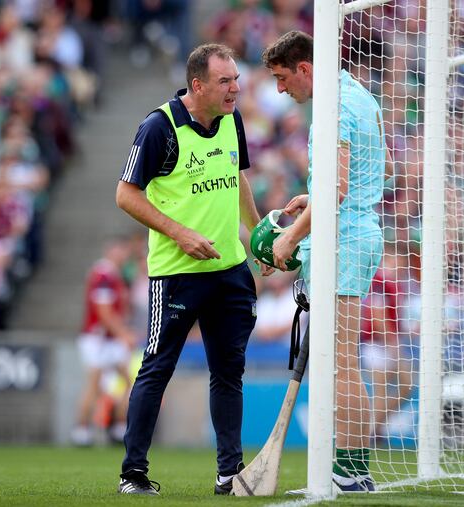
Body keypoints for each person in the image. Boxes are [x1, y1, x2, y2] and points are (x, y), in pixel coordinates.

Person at [115, 43, 274, 496]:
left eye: (237, 80)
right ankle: (134, 473)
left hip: (230, 272)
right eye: (225, 82)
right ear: (197, 84)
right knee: (156, 369)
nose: (235, 89)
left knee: (229, 372)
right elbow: (126, 195)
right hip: (177, 273)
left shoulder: (232, 120)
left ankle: (230, 472)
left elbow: (237, 177)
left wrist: (257, 232)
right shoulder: (158, 128)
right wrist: (180, 233)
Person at [262, 30, 392, 492]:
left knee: (340, 362)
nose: (280, 89)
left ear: (305, 68)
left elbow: (335, 192)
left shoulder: (332, 109)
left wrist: (289, 239)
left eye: (282, 78)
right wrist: (310, 197)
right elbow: (375, 171)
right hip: (356, 232)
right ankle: (350, 468)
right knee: (340, 360)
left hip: (344, 240)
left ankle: (352, 472)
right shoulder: (361, 96)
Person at [71, 236, 136, 446]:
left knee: (128, 383)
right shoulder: (103, 274)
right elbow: (104, 313)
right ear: (111, 250)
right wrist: (123, 334)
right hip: (98, 338)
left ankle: (117, 427)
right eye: (121, 249)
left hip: (109, 339)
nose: (123, 254)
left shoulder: (115, 275)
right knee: (94, 384)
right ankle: (81, 431)